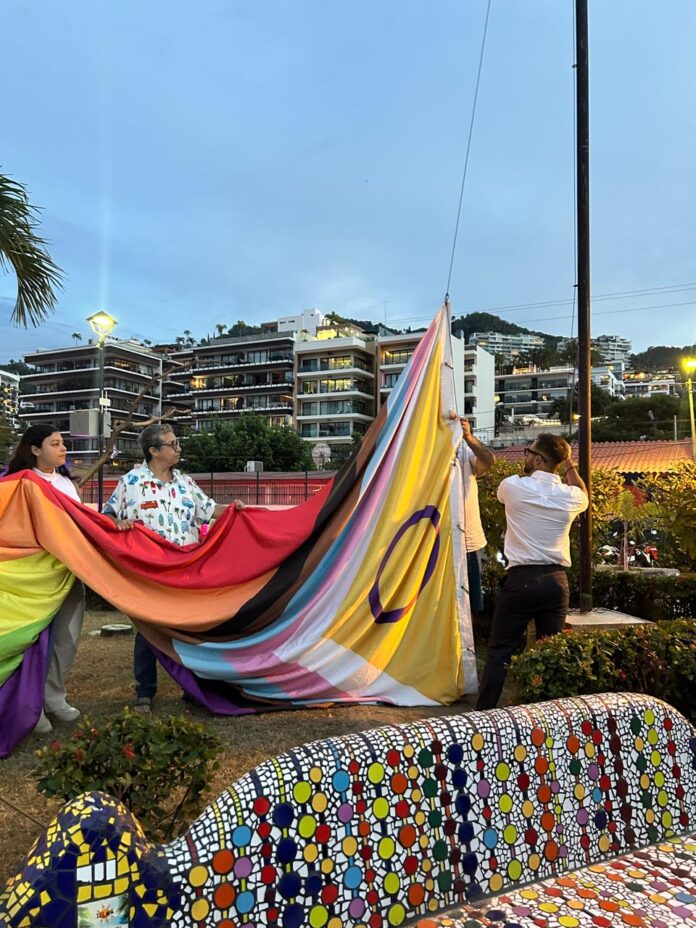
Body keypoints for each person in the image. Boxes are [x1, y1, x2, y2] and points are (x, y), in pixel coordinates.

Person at [102, 422, 243, 712]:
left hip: (185, 570)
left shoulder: (185, 483)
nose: (178, 449)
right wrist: (118, 523)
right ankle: (145, 691)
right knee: (148, 631)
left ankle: (192, 688)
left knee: (188, 631)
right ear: (153, 451)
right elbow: (106, 517)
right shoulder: (130, 482)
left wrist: (233, 510)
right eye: (172, 444)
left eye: (177, 443)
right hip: (148, 572)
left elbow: (208, 510)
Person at [476, 433, 589, 710]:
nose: (525, 455)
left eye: (528, 451)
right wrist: (570, 466)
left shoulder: (513, 486)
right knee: (550, 654)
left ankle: (484, 714)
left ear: (538, 459)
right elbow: (584, 494)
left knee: (501, 650)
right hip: (556, 582)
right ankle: (548, 717)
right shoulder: (570, 496)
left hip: (522, 580)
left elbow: (502, 495)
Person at [4, 424, 85, 734]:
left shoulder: (67, 484)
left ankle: (55, 698)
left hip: (68, 573)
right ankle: (31, 705)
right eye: (55, 443)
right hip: (32, 580)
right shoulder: (19, 483)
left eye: (63, 443)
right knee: (35, 642)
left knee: (67, 639)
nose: (62, 448)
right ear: (35, 449)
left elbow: (80, 525)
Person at [452, 413, 496, 612]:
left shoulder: (462, 451)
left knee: (468, 606)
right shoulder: (420, 452)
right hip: (434, 541)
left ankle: (467, 643)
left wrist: (469, 437)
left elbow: (488, 461)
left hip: (468, 542)